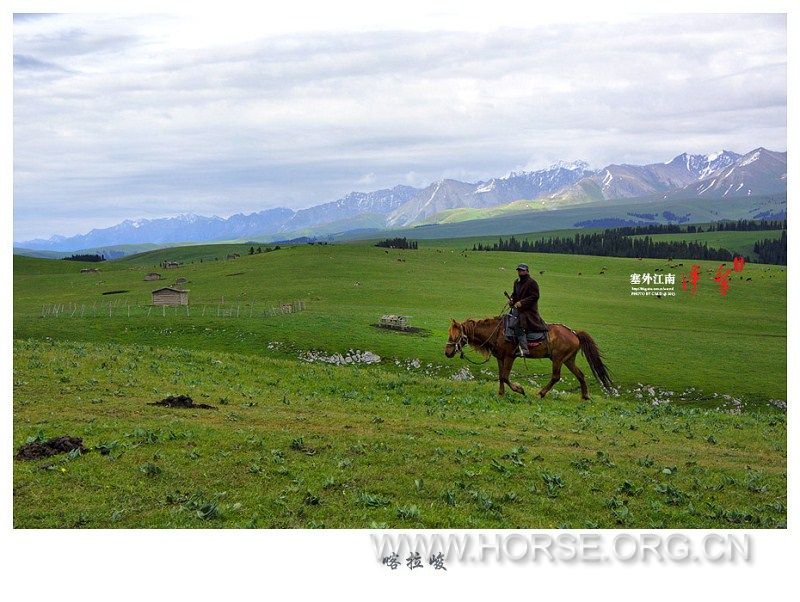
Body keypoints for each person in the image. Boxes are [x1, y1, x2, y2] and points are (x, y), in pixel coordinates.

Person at [508, 263, 548, 356]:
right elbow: (515, 294)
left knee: (517, 325)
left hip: (529, 311)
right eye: (519, 270)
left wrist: (522, 303)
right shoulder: (516, 282)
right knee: (506, 320)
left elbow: (535, 296)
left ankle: (524, 349)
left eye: (522, 270)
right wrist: (512, 300)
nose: (520, 272)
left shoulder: (532, 283)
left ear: (527, 271)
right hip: (518, 309)